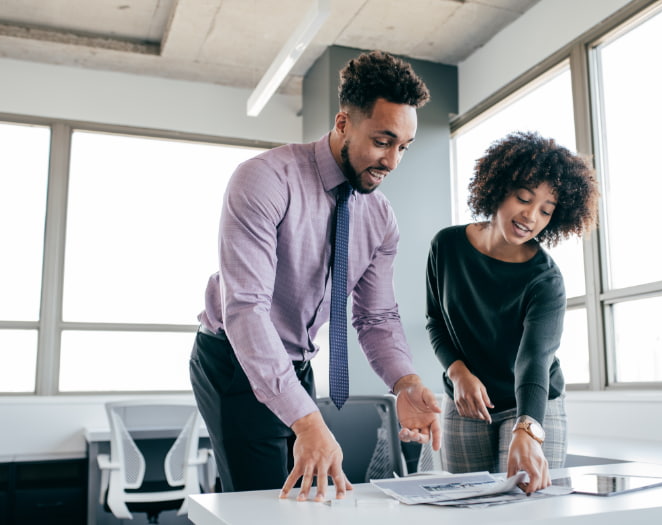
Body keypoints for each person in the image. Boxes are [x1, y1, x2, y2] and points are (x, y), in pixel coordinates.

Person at [190, 50, 441, 503]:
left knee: (308, 499)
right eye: (383, 141)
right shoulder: (265, 180)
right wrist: (306, 420)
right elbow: (246, 309)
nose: (392, 162)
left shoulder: (380, 218)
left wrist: (405, 381)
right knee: (261, 503)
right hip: (233, 360)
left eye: (403, 147)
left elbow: (377, 317)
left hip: (297, 363)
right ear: (343, 123)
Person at [425, 131, 598, 494]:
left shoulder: (545, 280)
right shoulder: (447, 246)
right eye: (524, 198)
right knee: (465, 506)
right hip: (466, 399)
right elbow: (436, 322)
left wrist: (528, 427)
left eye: (546, 211)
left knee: (528, 508)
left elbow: (534, 360)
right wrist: (458, 374)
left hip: (533, 401)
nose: (531, 216)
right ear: (500, 187)